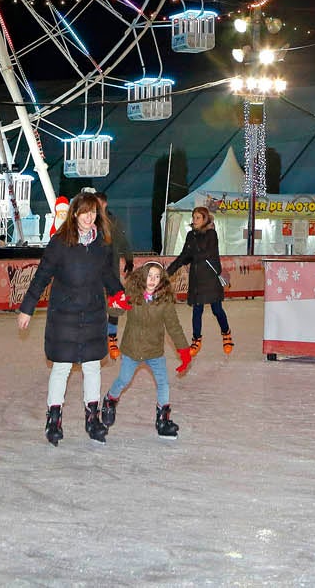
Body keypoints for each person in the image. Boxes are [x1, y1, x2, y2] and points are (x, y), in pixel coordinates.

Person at [18, 192, 128, 445]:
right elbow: (42, 276)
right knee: (61, 368)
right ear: (75, 213)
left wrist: (118, 293)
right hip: (64, 315)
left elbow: (106, 275)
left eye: (93, 213)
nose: (90, 217)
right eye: (85, 212)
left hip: (92, 312)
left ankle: (92, 417)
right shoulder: (59, 243)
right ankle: (53, 418)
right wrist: (27, 308)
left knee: (92, 367)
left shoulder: (101, 244)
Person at [103, 262, 195, 440]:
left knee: (163, 384)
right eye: (150, 276)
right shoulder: (133, 294)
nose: (153, 280)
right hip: (132, 349)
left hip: (154, 351)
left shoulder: (165, 300)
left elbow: (173, 326)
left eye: (157, 277)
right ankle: (109, 401)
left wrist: (183, 350)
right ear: (143, 276)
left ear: (162, 280)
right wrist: (114, 303)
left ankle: (163, 420)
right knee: (123, 380)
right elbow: (116, 311)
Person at [167, 205, 232, 355]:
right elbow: (184, 256)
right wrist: (168, 272)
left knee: (217, 310)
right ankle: (196, 339)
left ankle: (226, 332)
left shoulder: (211, 234)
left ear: (205, 219)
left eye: (198, 218)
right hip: (196, 279)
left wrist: (191, 255)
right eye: (193, 217)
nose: (194, 220)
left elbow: (207, 253)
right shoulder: (191, 235)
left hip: (210, 277)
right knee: (197, 310)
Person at [96, 191, 134, 361]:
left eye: (100, 204)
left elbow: (122, 240)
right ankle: (96, 338)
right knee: (95, 304)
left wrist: (129, 259)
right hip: (94, 271)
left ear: (105, 204)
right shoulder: (90, 222)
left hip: (111, 270)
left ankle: (111, 338)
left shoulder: (113, 221)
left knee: (115, 304)